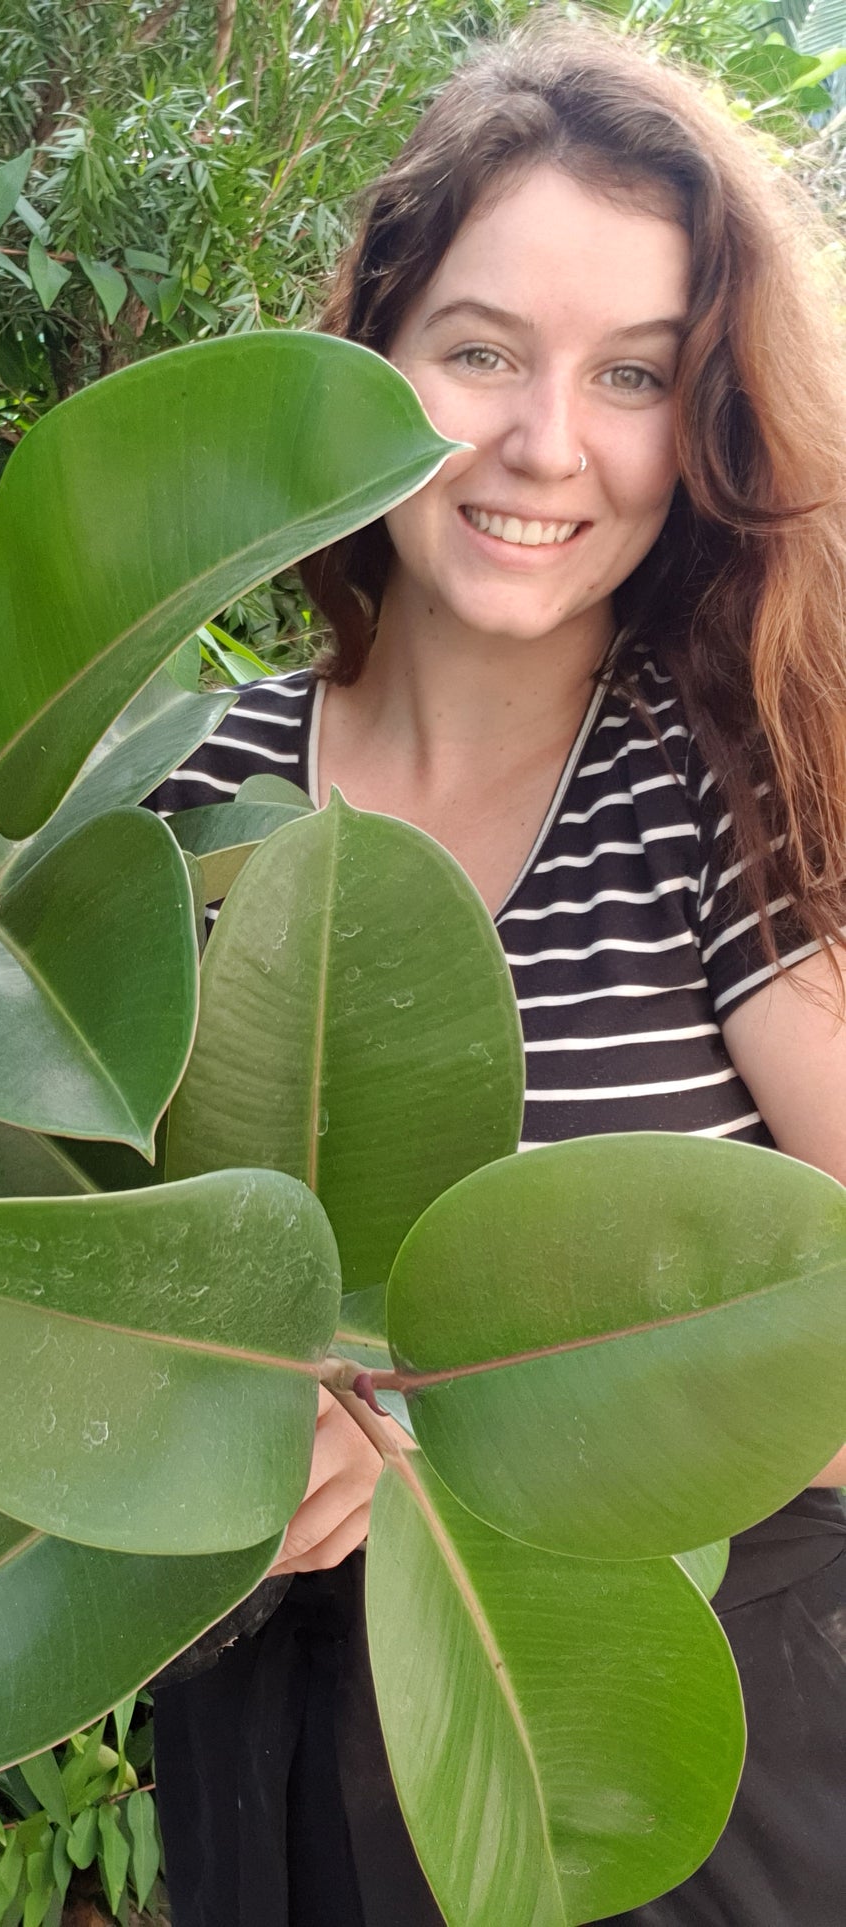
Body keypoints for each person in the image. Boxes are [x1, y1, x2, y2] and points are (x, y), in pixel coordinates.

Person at [145, 21, 846, 1926]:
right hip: (254, 1731)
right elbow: (73, 1277)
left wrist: (442, 1397)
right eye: (478, 352)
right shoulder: (181, 784)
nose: (547, 443)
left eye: (631, 376)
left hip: (640, 1736)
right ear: (368, 354)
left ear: (700, 431)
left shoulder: (734, 792)